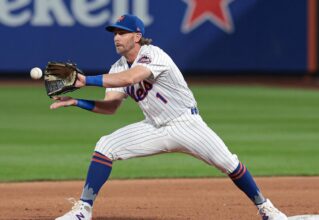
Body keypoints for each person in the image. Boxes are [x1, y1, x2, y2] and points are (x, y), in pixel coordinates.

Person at [52, 14, 288, 220]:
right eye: (114, 32)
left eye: (122, 32)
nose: (116, 37)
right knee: (105, 145)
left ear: (137, 36)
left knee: (229, 163)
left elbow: (131, 78)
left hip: (186, 124)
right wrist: (77, 102)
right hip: (154, 127)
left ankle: (267, 209)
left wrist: (86, 80)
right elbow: (110, 107)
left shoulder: (153, 54)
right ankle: (84, 209)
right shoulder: (116, 67)